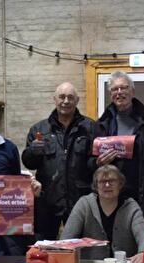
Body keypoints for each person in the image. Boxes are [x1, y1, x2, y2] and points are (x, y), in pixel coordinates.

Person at [89, 71, 144, 225]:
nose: (119, 92)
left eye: (123, 88)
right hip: (110, 196)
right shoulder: (101, 124)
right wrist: (98, 162)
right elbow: (88, 163)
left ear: (133, 91)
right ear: (110, 94)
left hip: (140, 196)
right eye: (115, 89)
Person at [22, 82, 95, 240]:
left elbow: (94, 164)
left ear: (77, 100)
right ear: (54, 99)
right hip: (48, 200)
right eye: (62, 97)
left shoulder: (90, 128)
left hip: (80, 200)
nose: (66, 101)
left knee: (82, 246)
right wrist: (33, 152)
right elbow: (29, 163)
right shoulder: (39, 129)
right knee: (45, 245)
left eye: (70, 97)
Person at [61, 165, 144, 260]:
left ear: (120, 184)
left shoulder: (131, 206)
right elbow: (66, 240)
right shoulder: (84, 204)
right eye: (102, 181)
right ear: (96, 186)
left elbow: (143, 236)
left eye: (112, 181)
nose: (107, 185)